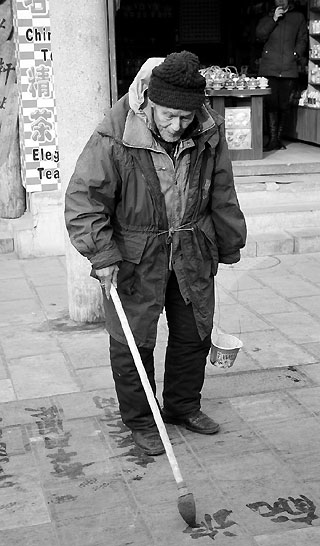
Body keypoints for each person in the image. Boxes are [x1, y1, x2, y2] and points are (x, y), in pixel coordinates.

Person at [65, 51, 247, 456]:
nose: (176, 125)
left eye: (185, 117)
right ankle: (143, 420)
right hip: (135, 252)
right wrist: (102, 254)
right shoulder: (114, 133)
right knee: (134, 341)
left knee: (193, 333)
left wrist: (229, 240)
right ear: (148, 99)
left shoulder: (206, 128)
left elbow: (222, 188)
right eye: (168, 115)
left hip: (191, 245)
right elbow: (85, 199)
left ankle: (183, 406)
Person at [256, 0, 307, 151]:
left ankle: (278, 139)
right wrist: (273, 19)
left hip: (288, 68)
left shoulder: (297, 17)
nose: (281, 2)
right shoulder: (267, 17)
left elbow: (302, 38)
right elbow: (260, 35)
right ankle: (272, 139)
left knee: (284, 105)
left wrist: (296, 54)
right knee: (270, 104)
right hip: (269, 68)